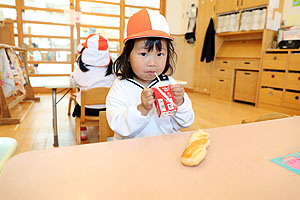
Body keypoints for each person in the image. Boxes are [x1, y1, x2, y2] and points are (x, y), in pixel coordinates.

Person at [106, 8, 194, 140]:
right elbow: (118, 126)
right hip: (131, 153)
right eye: (144, 54)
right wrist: (142, 108)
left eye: (160, 54)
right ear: (128, 56)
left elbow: (185, 123)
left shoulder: (169, 83)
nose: (153, 63)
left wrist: (180, 102)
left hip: (164, 149)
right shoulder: (120, 87)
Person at [71, 33, 115, 140]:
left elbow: (73, 82)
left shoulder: (80, 69)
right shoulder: (111, 70)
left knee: (79, 102)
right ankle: (102, 130)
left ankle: (83, 131)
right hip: (105, 110)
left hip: (85, 110)